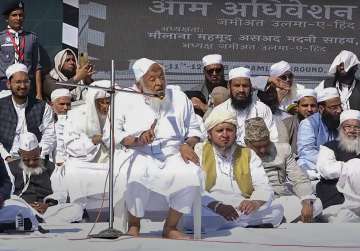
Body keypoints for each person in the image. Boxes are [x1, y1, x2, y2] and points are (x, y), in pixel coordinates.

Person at [108, 58, 203, 239]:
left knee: (193, 173)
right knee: (135, 172)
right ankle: (134, 225)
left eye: (161, 77)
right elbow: (113, 134)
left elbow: (195, 129)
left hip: (173, 152)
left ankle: (171, 227)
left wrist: (187, 144)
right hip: (138, 152)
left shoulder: (179, 97)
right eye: (152, 79)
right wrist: (137, 140)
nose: (159, 83)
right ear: (139, 83)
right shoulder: (123, 98)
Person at [182, 110, 283, 232]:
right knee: (189, 214)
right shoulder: (198, 151)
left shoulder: (248, 154)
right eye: (219, 131)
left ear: (236, 133)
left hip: (242, 207)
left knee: (277, 209)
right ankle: (241, 223)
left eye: (229, 130)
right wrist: (217, 206)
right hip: (210, 206)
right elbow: (193, 187)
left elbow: (263, 185)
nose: (225, 135)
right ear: (209, 134)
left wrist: (255, 202)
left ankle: (226, 224)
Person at [245, 117, 322, 223]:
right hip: (257, 200)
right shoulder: (241, 156)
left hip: (282, 198)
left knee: (316, 205)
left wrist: (306, 201)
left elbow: (298, 178)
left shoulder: (283, 150)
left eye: (265, 145)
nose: (262, 150)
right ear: (247, 143)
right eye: (257, 147)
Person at [7, 132, 83, 223]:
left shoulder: (51, 167)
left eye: (35, 158)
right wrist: (24, 206)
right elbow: (7, 194)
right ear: (20, 153)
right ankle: (37, 220)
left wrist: (48, 205)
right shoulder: (10, 168)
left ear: (40, 150)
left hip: (45, 211)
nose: (31, 163)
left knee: (76, 209)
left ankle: (35, 221)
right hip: (21, 210)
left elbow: (60, 192)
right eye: (26, 160)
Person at [0, 63, 55, 162]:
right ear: (9, 84)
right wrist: (6, 156)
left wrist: (38, 154)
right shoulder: (1, 106)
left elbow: (49, 135)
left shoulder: (42, 107)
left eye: (26, 82)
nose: (22, 86)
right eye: (18, 82)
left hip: (36, 159)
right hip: (6, 159)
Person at [212, 66, 278, 145]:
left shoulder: (262, 109)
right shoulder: (219, 110)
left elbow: (274, 138)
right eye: (237, 86)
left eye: (245, 86)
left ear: (250, 87)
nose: (241, 90)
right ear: (229, 87)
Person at [316, 110, 360, 212]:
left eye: (357, 127)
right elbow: (326, 170)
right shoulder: (329, 147)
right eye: (348, 126)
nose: (352, 130)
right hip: (336, 197)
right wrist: (352, 167)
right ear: (340, 129)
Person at [297, 87, 342, 181]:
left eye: (340, 106)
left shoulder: (336, 122)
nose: (339, 110)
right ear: (321, 108)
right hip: (312, 169)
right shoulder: (308, 123)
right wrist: (330, 163)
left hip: (334, 168)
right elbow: (307, 151)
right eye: (334, 107)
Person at [0, 1, 42, 99]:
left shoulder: (32, 38)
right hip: (5, 85)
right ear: (7, 18)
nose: (18, 18)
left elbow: (37, 67)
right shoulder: (1, 38)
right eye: (14, 15)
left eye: (21, 15)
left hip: (26, 85)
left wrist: (39, 93)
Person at [63, 80, 110, 163]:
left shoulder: (116, 114)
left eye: (108, 102)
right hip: (86, 163)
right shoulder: (76, 115)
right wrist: (92, 141)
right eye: (101, 102)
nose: (106, 106)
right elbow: (70, 146)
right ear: (92, 101)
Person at [283, 89, 318, 154]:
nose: (309, 109)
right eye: (305, 105)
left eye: (313, 106)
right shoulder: (286, 124)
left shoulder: (324, 125)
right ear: (297, 107)